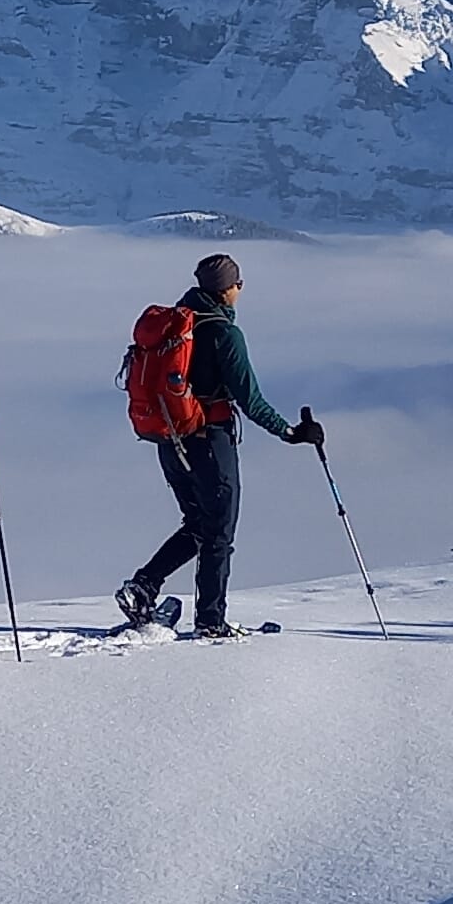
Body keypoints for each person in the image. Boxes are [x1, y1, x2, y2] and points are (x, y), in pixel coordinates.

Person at [117, 251, 323, 640]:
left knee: (198, 523)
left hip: (170, 438)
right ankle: (211, 620)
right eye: (237, 284)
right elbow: (250, 399)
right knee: (218, 532)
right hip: (210, 440)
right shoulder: (224, 333)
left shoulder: (176, 324)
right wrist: (292, 433)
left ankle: (143, 587)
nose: (239, 290)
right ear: (228, 289)